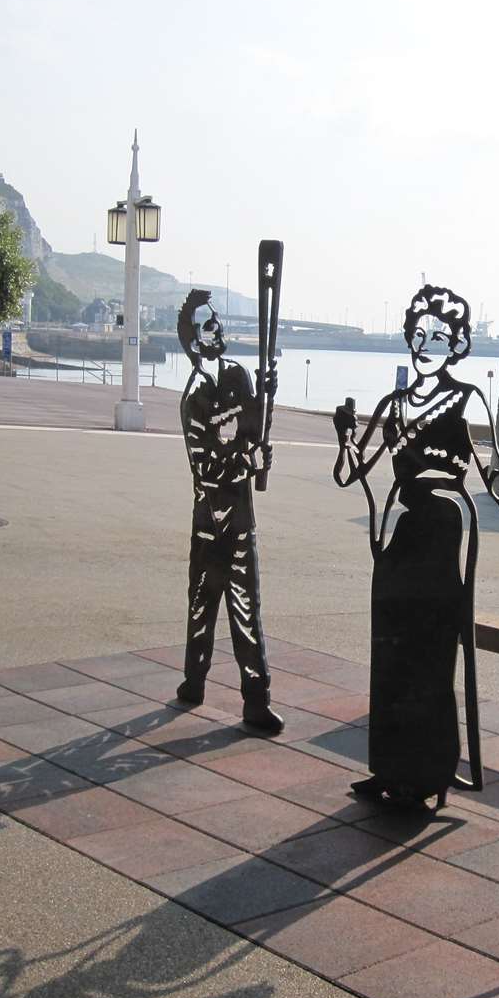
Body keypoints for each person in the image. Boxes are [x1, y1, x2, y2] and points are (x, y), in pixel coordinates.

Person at [333, 284, 499, 809]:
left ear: (458, 346)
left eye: (439, 337)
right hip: (401, 538)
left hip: (442, 533)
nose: (426, 344)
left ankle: (428, 773)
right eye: (419, 334)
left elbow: (489, 462)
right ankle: (390, 766)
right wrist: (346, 437)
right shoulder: (393, 404)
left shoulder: (466, 398)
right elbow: (353, 474)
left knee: (431, 654)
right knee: (391, 654)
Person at [175, 289, 282, 734]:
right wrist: (246, 461)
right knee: (202, 605)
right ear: (195, 341)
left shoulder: (239, 376)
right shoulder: (193, 399)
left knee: (245, 606)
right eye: (208, 324)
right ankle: (194, 680)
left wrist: (267, 394)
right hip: (210, 520)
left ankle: (256, 699)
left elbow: (254, 429)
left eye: (217, 320)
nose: (218, 328)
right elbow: (205, 467)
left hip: (240, 515)